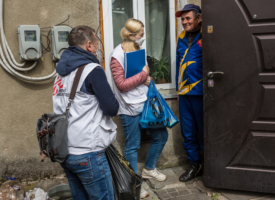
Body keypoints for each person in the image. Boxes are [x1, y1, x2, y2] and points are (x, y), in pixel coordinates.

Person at [53, 25, 119, 200]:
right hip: (88, 152)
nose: (98, 49)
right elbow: (112, 108)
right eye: (97, 44)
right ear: (89, 45)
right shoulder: (92, 70)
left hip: (65, 151)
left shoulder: (59, 73)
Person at [109, 18, 169, 199]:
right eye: (141, 35)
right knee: (132, 146)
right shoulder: (116, 55)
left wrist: (146, 79)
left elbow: (139, 76)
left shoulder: (136, 49)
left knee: (161, 135)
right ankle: (134, 185)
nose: (143, 37)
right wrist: (144, 74)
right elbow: (121, 84)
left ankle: (149, 169)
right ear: (132, 35)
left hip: (145, 104)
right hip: (128, 108)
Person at [175, 4, 204, 182]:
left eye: (188, 18)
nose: (184, 22)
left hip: (201, 93)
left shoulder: (208, 35)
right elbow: (178, 64)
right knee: (188, 132)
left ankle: (211, 167)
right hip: (184, 94)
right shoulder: (181, 37)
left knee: (204, 131)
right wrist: (178, 91)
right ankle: (195, 166)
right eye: (182, 19)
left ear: (199, 18)